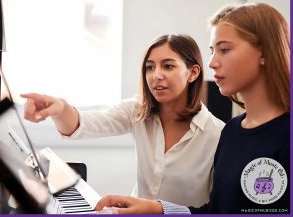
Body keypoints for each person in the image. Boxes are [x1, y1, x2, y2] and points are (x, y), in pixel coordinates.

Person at [93, 3, 290, 214]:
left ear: (264, 53)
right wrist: (156, 208)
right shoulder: (232, 132)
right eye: (212, 51)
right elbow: (215, 211)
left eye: (224, 50)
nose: (212, 63)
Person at [21, 34, 225, 207]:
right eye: (150, 67)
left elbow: (218, 207)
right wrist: (60, 108)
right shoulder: (138, 110)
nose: (156, 76)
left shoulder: (218, 134)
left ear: (193, 72)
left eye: (168, 66)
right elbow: (83, 124)